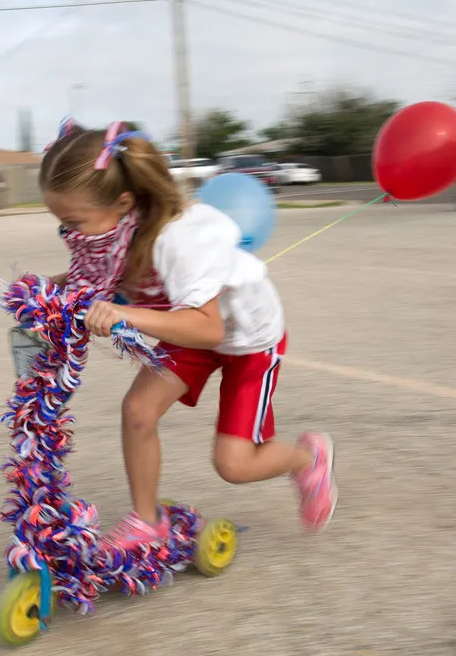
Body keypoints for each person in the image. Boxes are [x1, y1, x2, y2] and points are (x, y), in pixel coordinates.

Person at [38, 119, 338, 547]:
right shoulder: (113, 233)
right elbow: (106, 276)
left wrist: (127, 316)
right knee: (138, 411)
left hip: (246, 338)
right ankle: (148, 521)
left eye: (74, 220)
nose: (70, 233)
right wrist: (51, 289)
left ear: (123, 202)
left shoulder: (178, 240)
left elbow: (208, 327)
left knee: (234, 465)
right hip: (187, 327)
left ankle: (308, 457)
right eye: (61, 222)